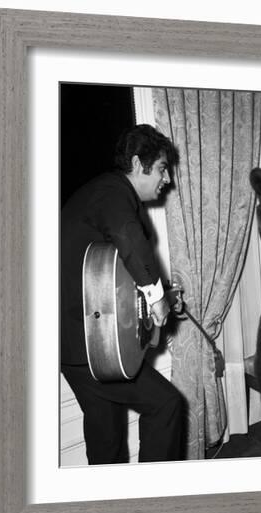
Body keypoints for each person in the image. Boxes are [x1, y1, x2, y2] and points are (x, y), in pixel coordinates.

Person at [60, 124, 185, 465]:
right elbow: (127, 237)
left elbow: (112, 280)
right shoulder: (112, 191)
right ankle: (151, 503)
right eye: (161, 168)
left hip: (78, 347)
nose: (167, 179)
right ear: (136, 163)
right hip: (88, 347)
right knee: (166, 405)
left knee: (106, 436)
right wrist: (158, 298)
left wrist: (159, 301)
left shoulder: (100, 196)